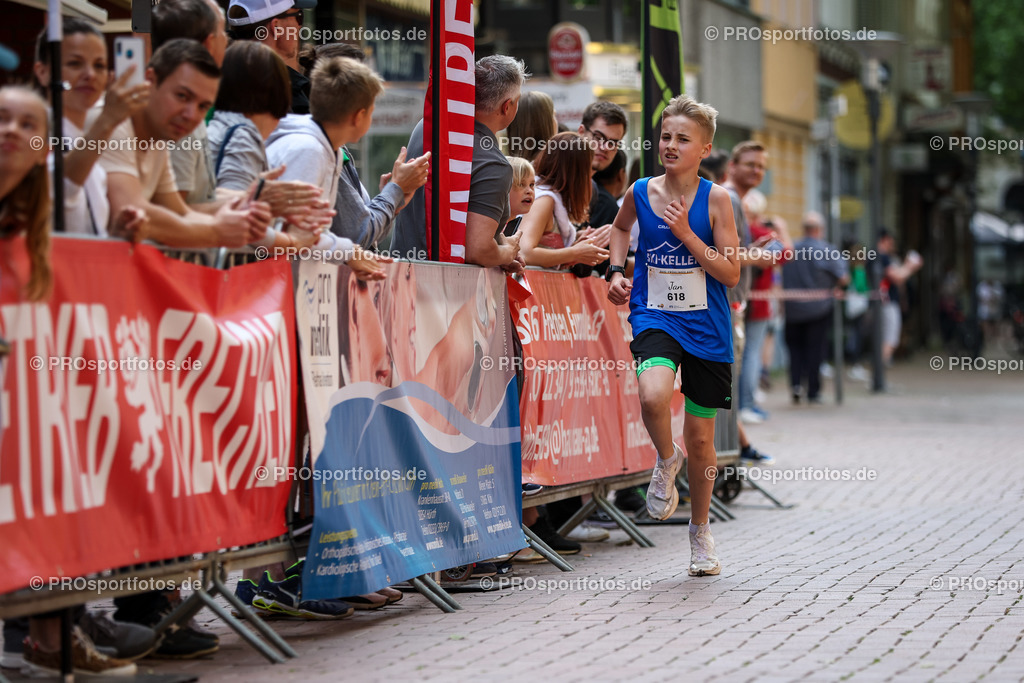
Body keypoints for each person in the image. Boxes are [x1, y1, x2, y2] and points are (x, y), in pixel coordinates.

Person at [0, 85, 148, 677]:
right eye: (0, 118)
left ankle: (51, 636)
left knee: (56, 485)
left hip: (24, 394)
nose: (11, 129)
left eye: (26, 124)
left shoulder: (35, 223)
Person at [607, 94, 740, 577]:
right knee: (652, 395)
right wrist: (615, 269)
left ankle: (700, 532)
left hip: (706, 326)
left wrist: (686, 233)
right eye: (665, 136)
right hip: (656, 316)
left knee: (702, 441)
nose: (670, 144)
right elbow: (620, 229)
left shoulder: (717, 199)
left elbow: (730, 273)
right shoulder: (640, 190)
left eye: (682, 139)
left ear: (704, 148)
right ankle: (666, 460)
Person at [98, 39, 272, 248]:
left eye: (203, 106)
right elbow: (130, 208)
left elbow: (179, 212)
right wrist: (217, 231)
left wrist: (240, 225)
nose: (191, 115)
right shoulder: (114, 122)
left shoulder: (159, 135)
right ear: (150, 80)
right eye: (182, 96)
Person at [391, 55, 527, 271]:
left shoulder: (427, 125)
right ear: (507, 106)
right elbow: (478, 249)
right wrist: (505, 252)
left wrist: (499, 252)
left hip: (399, 281)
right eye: (518, 100)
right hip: (443, 294)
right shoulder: (494, 163)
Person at [299, 43, 430, 250]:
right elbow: (357, 235)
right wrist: (395, 189)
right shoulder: (317, 150)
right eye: (371, 105)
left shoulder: (332, 148)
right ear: (359, 112)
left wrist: (393, 196)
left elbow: (366, 233)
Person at [32, 19, 148, 237]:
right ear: (43, 72)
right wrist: (109, 119)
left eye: (99, 65)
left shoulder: (92, 160)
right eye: (75, 64)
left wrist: (118, 232)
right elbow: (62, 183)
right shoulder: (31, 132)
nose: (90, 75)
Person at [782, 212, 849, 404]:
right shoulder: (828, 250)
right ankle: (813, 391)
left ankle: (795, 386)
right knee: (815, 350)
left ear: (804, 229)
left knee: (794, 350)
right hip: (818, 310)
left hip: (792, 308)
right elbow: (843, 278)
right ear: (820, 229)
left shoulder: (791, 249)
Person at [519, 132, 608, 269]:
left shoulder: (547, 196)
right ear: (577, 172)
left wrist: (576, 245)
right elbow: (525, 253)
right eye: (587, 168)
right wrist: (576, 252)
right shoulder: (544, 200)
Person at [227, 0, 317, 114]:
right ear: (276, 26)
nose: (300, 27)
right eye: (299, 17)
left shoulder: (214, 74)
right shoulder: (283, 95)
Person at [876, 229, 923, 364]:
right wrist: (910, 266)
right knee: (890, 337)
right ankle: (881, 369)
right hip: (887, 301)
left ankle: (881, 368)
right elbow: (897, 277)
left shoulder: (878, 257)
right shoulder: (882, 257)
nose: (892, 244)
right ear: (885, 240)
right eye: (891, 241)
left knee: (886, 336)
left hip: (884, 301)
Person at [504, 90, 557, 162]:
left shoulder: (503, 167)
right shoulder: (560, 166)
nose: (556, 122)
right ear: (545, 124)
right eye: (553, 115)